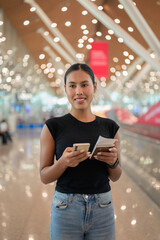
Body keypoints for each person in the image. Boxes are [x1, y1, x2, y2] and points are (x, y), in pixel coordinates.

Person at [40, 63, 122, 240]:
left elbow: (116, 175)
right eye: (72, 86)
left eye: (84, 85)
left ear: (94, 87)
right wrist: (63, 163)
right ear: (65, 89)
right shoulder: (53, 126)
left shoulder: (110, 127)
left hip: (103, 206)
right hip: (66, 207)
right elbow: (44, 176)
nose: (78, 91)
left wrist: (112, 162)